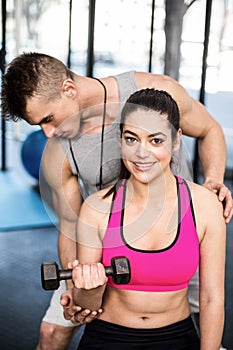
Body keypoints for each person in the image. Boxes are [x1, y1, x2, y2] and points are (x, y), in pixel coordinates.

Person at [1, 52, 231, 350]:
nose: (48, 132)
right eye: (39, 126)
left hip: (176, 236)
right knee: (52, 333)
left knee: (208, 328)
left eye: (48, 119)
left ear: (69, 89)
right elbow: (70, 224)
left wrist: (213, 178)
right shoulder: (58, 152)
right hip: (101, 242)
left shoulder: (152, 93)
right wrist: (76, 286)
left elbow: (210, 129)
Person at [66, 88, 226, 349]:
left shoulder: (205, 206)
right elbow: (87, 306)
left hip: (176, 338)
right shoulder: (97, 209)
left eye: (156, 140)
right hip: (108, 337)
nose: (142, 153)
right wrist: (90, 288)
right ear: (120, 141)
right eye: (131, 139)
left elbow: (212, 298)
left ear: (176, 141)